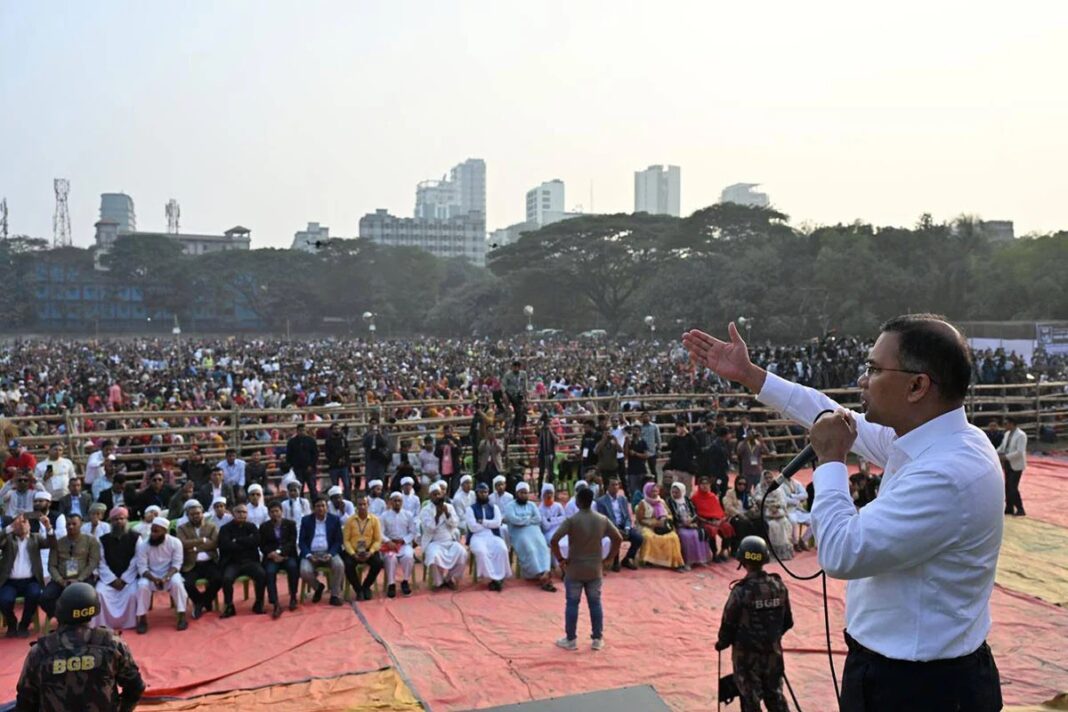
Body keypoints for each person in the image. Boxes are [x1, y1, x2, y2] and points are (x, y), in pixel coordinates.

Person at [684, 316, 1004, 711]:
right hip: (902, 671)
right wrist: (751, 376)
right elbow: (829, 413)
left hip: (921, 687)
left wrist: (831, 459)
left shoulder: (947, 473)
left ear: (917, 386)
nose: (862, 380)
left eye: (874, 369)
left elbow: (841, 552)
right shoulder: (932, 439)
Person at [15, 582, 144, 712]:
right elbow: (135, 686)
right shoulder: (112, 644)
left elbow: (25, 701)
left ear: (60, 610)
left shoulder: (41, 650)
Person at [714, 536, 793, 712]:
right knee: (775, 696)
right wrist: (770, 637)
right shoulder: (778, 586)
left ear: (742, 561)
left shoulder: (741, 592)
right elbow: (788, 621)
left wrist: (722, 643)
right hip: (772, 654)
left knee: (750, 700)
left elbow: (728, 624)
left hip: (746, 658)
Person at [550, 486, 622, 651]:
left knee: (572, 603)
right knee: (595, 604)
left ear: (578, 501)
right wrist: (609, 558)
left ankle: (571, 639)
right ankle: (597, 639)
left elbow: (554, 540)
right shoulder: (602, 519)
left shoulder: (572, 520)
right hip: (595, 568)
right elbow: (618, 538)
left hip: (575, 569)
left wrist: (560, 559)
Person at [41, 514, 101, 628]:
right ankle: (61, 619)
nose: (71, 527)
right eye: (68, 524)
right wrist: (60, 580)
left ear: (81, 524)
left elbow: (93, 563)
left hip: (83, 579)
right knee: (45, 597)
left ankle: (81, 623)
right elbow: (51, 566)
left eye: (74, 524)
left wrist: (79, 579)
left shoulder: (90, 541)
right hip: (62, 580)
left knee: (87, 597)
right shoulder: (58, 543)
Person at [0, 513, 51, 637]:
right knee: (4, 599)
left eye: (25, 522)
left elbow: (52, 544)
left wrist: (48, 528)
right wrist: (9, 528)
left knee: (35, 594)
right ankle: (12, 622)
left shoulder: (36, 538)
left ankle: (24, 624)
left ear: (29, 525)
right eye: (19, 522)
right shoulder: (8, 539)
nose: (22, 525)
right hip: (10, 582)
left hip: (31, 581)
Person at [134, 518, 188, 633]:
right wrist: (154, 579)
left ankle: (182, 615)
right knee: (142, 586)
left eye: (156, 531)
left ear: (165, 531)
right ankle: (142, 618)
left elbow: (177, 564)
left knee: (177, 583)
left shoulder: (175, 542)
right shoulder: (144, 545)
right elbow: (142, 567)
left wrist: (166, 577)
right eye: (152, 531)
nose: (152, 534)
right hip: (150, 575)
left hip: (170, 574)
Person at [503, 483, 556, 592]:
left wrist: (523, 520)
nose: (523, 495)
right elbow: (514, 520)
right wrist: (529, 519)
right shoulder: (510, 506)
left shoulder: (532, 505)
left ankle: (544, 571)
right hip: (518, 533)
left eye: (526, 493)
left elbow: (538, 518)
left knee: (543, 548)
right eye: (521, 493)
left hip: (534, 531)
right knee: (530, 549)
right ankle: (539, 574)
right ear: (517, 493)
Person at [175, 500, 223, 620]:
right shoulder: (182, 528)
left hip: (210, 562)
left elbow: (214, 544)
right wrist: (202, 540)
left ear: (202, 513)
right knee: (187, 583)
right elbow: (182, 544)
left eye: (198, 513)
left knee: (218, 579)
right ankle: (203, 602)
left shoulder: (211, 526)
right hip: (191, 564)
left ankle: (200, 603)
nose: (196, 516)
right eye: (192, 514)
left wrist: (194, 547)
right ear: (188, 515)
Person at [94, 507, 141, 630]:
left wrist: (125, 579)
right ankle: (103, 624)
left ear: (126, 520)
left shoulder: (136, 538)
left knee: (133, 593)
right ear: (111, 521)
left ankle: (131, 623)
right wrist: (112, 580)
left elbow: (137, 560)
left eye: (122, 518)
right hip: (109, 579)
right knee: (99, 592)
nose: (119, 521)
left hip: (129, 579)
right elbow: (101, 562)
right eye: (115, 519)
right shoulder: (103, 540)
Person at [218, 503, 267, 617]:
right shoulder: (225, 528)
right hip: (232, 562)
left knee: (261, 575)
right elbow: (225, 545)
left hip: (250, 561)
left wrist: (236, 540)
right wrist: (247, 541)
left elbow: (256, 541)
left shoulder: (252, 527)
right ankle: (229, 606)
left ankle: (258, 604)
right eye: (238, 512)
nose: (241, 514)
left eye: (244, 512)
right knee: (227, 579)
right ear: (233, 514)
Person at [418, 482, 467, 590]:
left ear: (442, 495)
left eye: (438, 494)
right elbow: (428, 529)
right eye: (434, 494)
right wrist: (437, 516)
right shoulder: (425, 510)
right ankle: (438, 582)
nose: (437, 496)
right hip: (434, 542)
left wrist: (447, 514)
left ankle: (449, 578)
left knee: (462, 553)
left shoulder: (449, 507)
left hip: (449, 540)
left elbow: (455, 523)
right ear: (430, 496)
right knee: (433, 556)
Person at [299, 497, 345, 606]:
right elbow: (301, 541)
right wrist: (309, 555)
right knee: (304, 570)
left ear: (327, 507)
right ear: (313, 508)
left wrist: (330, 554)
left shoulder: (334, 520)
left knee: (339, 565)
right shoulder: (306, 520)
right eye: (317, 506)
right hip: (311, 553)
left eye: (323, 506)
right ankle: (318, 587)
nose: (320, 508)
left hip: (329, 552)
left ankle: (335, 595)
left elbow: (338, 541)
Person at [466, 482, 511, 592]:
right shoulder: (470, 509)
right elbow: (472, 527)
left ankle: (499, 577)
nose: (483, 494)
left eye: (485, 492)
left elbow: (498, 523)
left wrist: (482, 522)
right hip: (476, 537)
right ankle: (492, 578)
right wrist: (489, 524)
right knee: (482, 552)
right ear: (477, 493)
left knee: (502, 549)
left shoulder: (494, 507)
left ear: (488, 493)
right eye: (481, 492)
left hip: (493, 535)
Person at [260, 499, 300, 618]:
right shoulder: (264, 527)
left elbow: (291, 542)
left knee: (293, 567)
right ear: (269, 513)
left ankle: (293, 597)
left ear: (281, 512)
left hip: (287, 555)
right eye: (272, 512)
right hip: (272, 557)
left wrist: (280, 553)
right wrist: (272, 554)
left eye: (277, 511)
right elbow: (262, 545)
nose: (275, 514)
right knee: (269, 572)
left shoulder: (290, 524)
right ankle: (275, 603)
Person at [633, 482, 685, 571]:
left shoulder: (661, 502)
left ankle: (675, 562)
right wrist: (653, 523)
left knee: (673, 537)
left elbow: (669, 514)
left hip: (662, 526)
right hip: (647, 525)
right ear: (647, 491)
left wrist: (664, 520)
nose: (655, 493)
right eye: (652, 491)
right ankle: (648, 560)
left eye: (656, 491)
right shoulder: (643, 503)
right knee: (648, 536)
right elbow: (640, 520)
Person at [594, 478, 643, 571]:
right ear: (607, 487)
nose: (615, 487)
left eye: (617, 485)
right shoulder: (601, 501)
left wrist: (627, 528)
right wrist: (616, 529)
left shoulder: (623, 499)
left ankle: (627, 559)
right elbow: (603, 519)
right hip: (610, 527)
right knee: (615, 536)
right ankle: (615, 561)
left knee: (638, 538)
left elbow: (627, 517)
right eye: (613, 485)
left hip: (623, 526)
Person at [343, 492, 383, 601]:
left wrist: (371, 552)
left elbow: (377, 540)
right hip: (354, 550)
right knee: (348, 565)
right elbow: (346, 540)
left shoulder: (375, 520)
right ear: (356, 506)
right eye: (360, 504)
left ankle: (366, 586)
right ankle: (358, 589)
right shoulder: (349, 521)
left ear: (368, 505)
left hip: (368, 550)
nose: (362, 507)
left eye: (364, 504)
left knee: (378, 563)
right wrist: (353, 554)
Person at [379, 490, 418, 598]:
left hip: (404, 544)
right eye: (395, 501)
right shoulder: (384, 516)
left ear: (402, 502)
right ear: (390, 502)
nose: (397, 503)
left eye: (399, 501)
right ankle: (391, 584)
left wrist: (404, 540)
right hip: (390, 545)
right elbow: (380, 533)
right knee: (390, 558)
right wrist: (388, 541)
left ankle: (405, 581)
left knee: (408, 556)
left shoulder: (408, 515)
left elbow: (413, 532)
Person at [752, 470, 793, 561]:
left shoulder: (777, 487)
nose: (769, 480)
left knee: (784, 523)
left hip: (778, 512)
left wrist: (776, 506)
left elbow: (782, 501)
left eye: (770, 477)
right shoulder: (760, 487)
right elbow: (757, 499)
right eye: (766, 478)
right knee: (773, 526)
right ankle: (772, 552)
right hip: (765, 512)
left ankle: (783, 553)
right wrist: (769, 505)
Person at [667, 482, 709, 567]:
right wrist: (683, 522)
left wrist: (691, 520)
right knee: (686, 536)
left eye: (677, 492)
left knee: (699, 534)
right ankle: (688, 561)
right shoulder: (670, 501)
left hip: (691, 523)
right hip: (679, 525)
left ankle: (699, 559)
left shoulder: (686, 499)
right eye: (673, 492)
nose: (674, 494)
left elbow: (694, 511)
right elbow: (672, 515)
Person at [691, 476, 734, 562]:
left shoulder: (712, 496)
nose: (705, 486)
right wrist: (708, 521)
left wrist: (720, 520)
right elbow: (695, 514)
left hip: (717, 520)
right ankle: (714, 553)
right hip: (704, 521)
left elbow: (719, 511)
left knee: (727, 527)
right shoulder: (695, 498)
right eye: (702, 484)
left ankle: (723, 551)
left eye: (707, 484)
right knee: (711, 530)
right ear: (699, 485)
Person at [997, 414, 1027, 517]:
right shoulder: (1007, 434)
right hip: (1008, 463)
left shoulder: (1021, 435)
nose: (1004, 425)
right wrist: (994, 453)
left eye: (1006, 423)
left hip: (1016, 464)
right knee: (1007, 486)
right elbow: (1002, 447)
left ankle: (1020, 508)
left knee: (1013, 487)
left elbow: (1019, 452)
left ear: (1012, 424)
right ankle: (1009, 507)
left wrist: (1005, 457)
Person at [287, 422, 320, 500]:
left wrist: (311, 465)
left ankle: (315, 503)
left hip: (310, 469)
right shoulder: (292, 442)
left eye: (303, 430)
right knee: (299, 489)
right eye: (300, 430)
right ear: (297, 431)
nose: (302, 432)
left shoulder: (311, 440)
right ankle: (300, 504)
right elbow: (289, 455)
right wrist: (293, 466)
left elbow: (315, 454)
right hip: (297, 469)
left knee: (312, 488)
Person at [324, 422, 354, 500]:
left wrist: (344, 459)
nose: (337, 430)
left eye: (338, 428)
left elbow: (347, 451)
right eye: (335, 429)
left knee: (346, 484)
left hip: (344, 466)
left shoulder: (343, 439)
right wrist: (337, 459)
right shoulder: (329, 440)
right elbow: (328, 453)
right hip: (334, 466)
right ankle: (336, 500)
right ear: (331, 430)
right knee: (335, 486)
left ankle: (348, 500)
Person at [362, 418, 390, 490]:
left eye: (375, 423)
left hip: (380, 457)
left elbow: (385, 443)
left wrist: (379, 434)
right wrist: (370, 434)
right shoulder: (367, 433)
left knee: (380, 477)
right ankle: (370, 493)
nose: (373, 425)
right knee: (370, 477)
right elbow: (364, 443)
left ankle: (381, 493)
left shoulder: (383, 432)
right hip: (370, 457)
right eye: (372, 423)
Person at [434, 424, 462, 495]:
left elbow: (459, 452)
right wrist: (440, 449)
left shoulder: (456, 440)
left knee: (455, 487)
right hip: (444, 468)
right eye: (446, 431)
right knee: (444, 487)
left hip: (455, 467)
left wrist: (454, 446)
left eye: (449, 431)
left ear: (452, 431)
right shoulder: (440, 442)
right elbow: (436, 454)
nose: (447, 433)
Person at [451, 474, 475, 538]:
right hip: (462, 521)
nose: (469, 485)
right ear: (461, 485)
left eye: (470, 483)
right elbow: (460, 516)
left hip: (473, 518)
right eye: (466, 483)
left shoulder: (473, 494)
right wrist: (472, 518)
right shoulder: (457, 498)